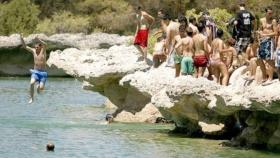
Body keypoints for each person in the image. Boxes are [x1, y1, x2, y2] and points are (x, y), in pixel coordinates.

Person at [20, 34, 47, 103]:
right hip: (35, 72)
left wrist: (39, 39)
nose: (36, 48)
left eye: (37, 47)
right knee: (31, 83)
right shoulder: (34, 51)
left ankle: (38, 86)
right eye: (35, 47)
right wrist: (22, 38)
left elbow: (45, 44)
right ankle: (31, 98)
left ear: (41, 47)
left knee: (41, 88)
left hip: (43, 73)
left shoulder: (43, 52)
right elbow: (25, 46)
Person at [257, 7, 277, 83]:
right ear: (266, 13)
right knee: (259, 58)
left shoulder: (273, 21)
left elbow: (275, 33)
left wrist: (266, 34)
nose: (270, 14)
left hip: (269, 41)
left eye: (271, 13)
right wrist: (259, 37)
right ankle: (264, 76)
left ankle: (270, 78)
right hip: (262, 41)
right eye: (269, 13)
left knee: (269, 59)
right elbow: (259, 30)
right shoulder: (261, 20)